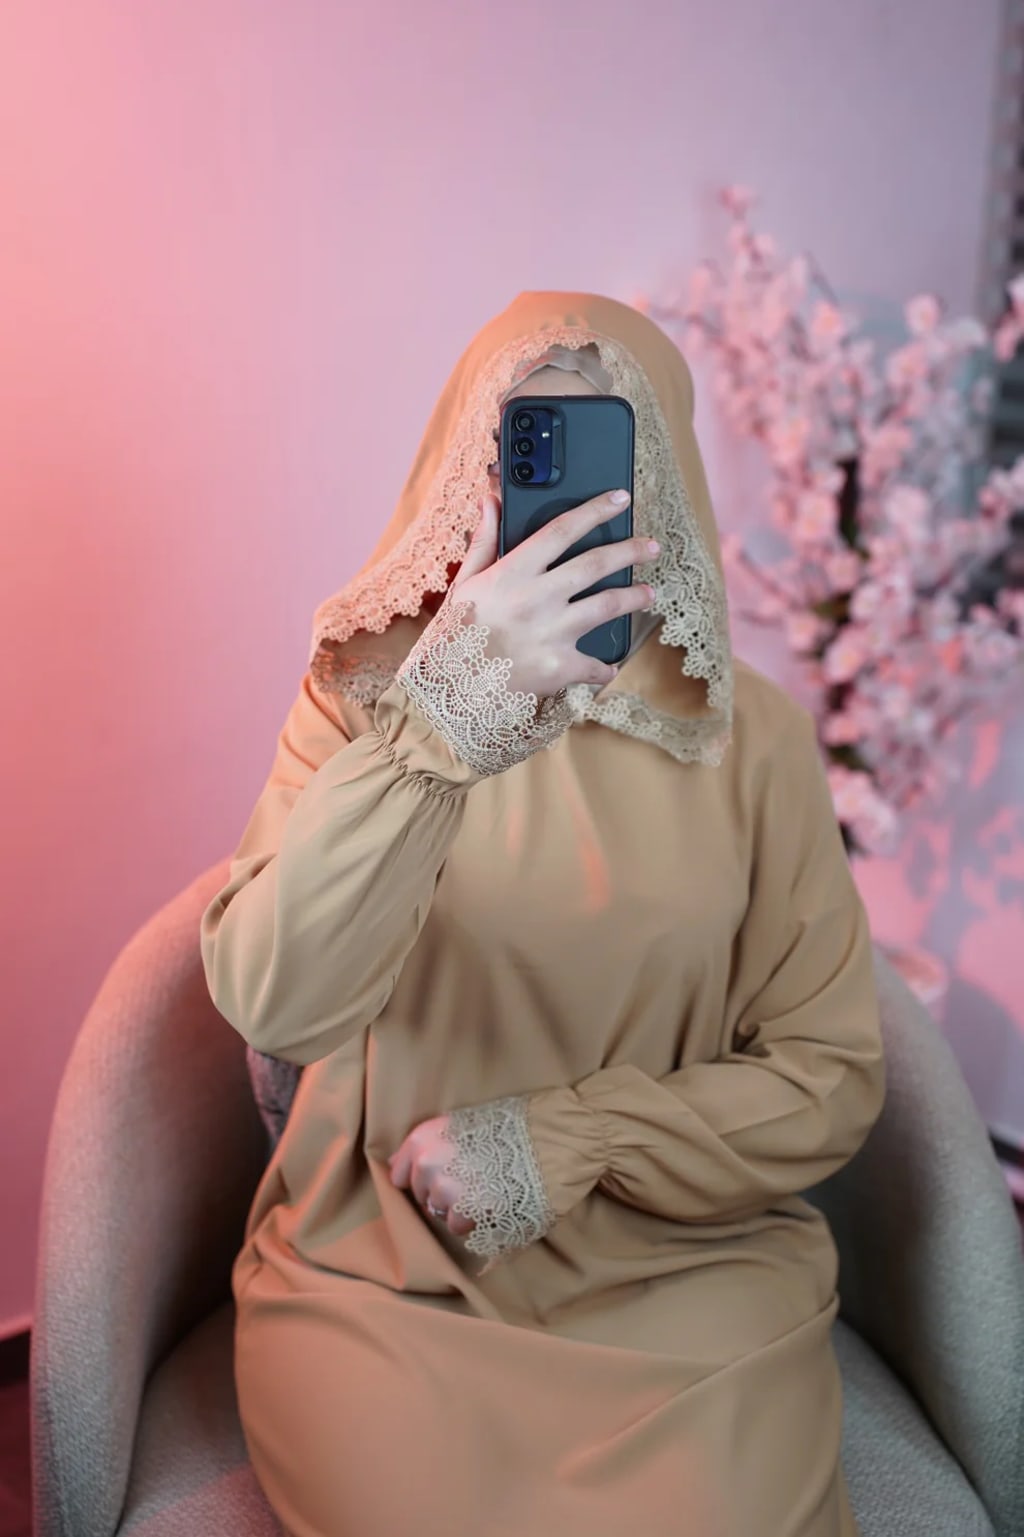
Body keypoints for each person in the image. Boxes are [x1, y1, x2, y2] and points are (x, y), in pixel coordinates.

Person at [200, 292, 885, 1537]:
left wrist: (572, 1138)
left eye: (604, 460)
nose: (560, 509)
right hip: (388, 1274)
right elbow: (279, 1005)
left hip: (682, 1274)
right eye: (521, 453)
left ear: (666, 482)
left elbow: (828, 1074)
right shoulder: (361, 694)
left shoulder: (757, 742)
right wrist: (439, 732)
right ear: (460, 468)